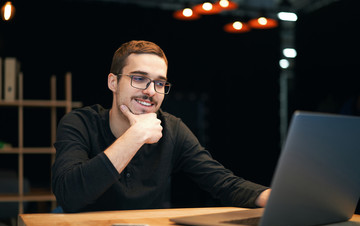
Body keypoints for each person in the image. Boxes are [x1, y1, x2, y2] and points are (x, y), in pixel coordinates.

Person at [52, 40, 271, 213]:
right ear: (113, 82)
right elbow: (69, 195)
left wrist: (273, 198)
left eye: (159, 83)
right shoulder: (79, 123)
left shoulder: (173, 129)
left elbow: (222, 183)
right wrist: (134, 137)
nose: (150, 91)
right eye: (139, 78)